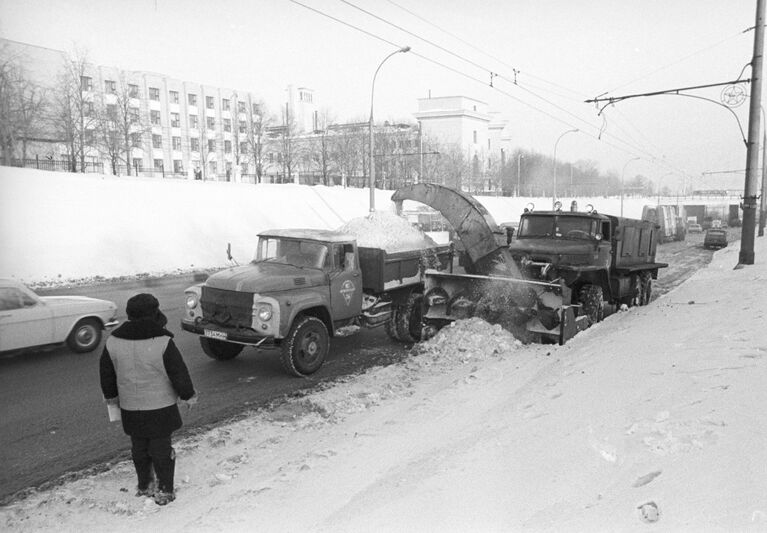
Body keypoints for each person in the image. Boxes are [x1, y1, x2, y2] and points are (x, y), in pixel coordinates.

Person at [100, 293, 197, 506]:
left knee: (139, 448)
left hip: (130, 407)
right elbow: (178, 372)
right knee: (161, 450)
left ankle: (145, 485)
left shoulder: (114, 341)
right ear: (153, 313)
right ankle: (165, 490)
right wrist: (188, 395)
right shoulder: (162, 341)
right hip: (159, 408)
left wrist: (111, 399)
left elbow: (106, 374)